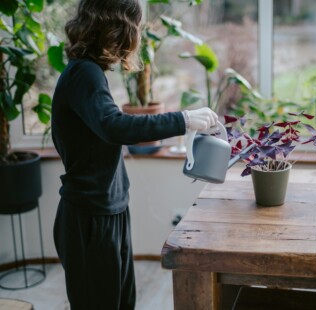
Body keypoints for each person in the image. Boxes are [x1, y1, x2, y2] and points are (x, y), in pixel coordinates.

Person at [51, 0, 217, 309]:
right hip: (89, 218)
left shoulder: (89, 72)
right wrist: (182, 120)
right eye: (135, 29)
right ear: (118, 27)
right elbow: (114, 126)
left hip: (108, 211)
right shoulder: (84, 74)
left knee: (121, 302)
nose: (136, 37)